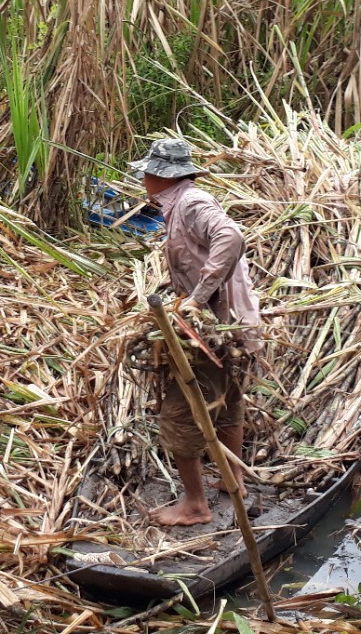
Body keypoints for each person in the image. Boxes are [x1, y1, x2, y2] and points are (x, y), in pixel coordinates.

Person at [129, 138, 262, 527]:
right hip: (231, 327)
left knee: (180, 412)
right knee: (227, 400)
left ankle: (194, 506)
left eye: (145, 173)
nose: (142, 179)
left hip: (214, 330)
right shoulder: (181, 204)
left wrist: (197, 299)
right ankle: (231, 477)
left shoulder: (190, 204)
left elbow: (231, 237)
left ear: (158, 175)